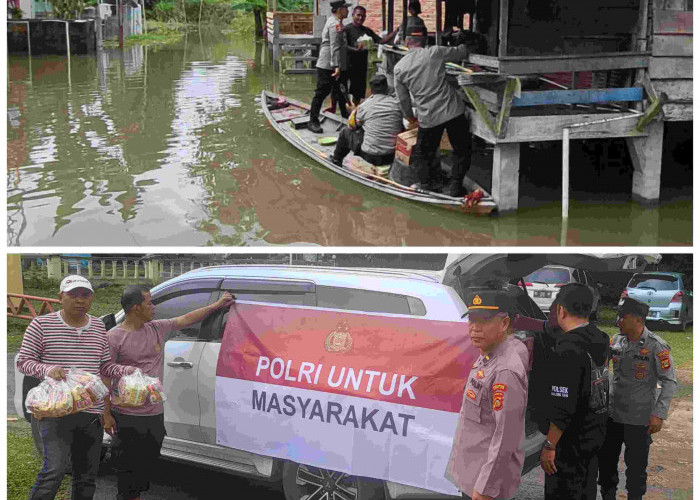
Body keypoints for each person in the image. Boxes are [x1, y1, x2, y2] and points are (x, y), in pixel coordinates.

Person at [107, 285, 235, 500]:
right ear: (136, 308)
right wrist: (106, 413)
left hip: (154, 412)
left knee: (149, 457)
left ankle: (134, 494)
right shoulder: (114, 337)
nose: (153, 307)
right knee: (126, 463)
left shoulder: (156, 329)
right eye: (149, 302)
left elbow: (185, 319)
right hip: (126, 414)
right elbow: (104, 371)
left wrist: (217, 305)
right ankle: (127, 496)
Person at [17, 275, 137, 500]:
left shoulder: (99, 328)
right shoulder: (41, 325)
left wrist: (123, 371)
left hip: (90, 414)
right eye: (73, 295)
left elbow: (103, 366)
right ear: (60, 297)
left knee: (86, 476)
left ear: (91, 299)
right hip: (55, 411)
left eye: (85, 295)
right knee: (55, 470)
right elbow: (23, 361)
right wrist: (47, 369)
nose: (80, 300)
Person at [446, 290, 529, 500]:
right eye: (472, 320)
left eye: (484, 321)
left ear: (504, 324)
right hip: (472, 469)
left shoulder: (505, 371)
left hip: (484, 481)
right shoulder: (489, 352)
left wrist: (485, 489)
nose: (474, 328)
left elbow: (505, 438)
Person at [597, 298, 678, 500]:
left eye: (623, 317)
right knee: (606, 466)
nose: (618, 321)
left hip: (639, 418)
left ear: (637, 319)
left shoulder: (656, 346)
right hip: (613, 415)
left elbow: (669, 381)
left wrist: (659, 414)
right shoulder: (616, 341)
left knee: (636, 470)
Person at [535, 283, 610, 500]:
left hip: (570, 443)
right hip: (594, 432)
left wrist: (550, 446)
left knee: (563, 493)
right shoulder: (601, 339)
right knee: (586, 490)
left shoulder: (567, 349)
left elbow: (563, 407)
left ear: (560, 310)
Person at [393, 31, 472, 196]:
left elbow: (403, 100)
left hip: (428, 117)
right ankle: (455, 186)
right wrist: (464, 39)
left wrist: (409, 117)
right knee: (461, 149)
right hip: (453, 111)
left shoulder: (399, 68)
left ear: (406, 43)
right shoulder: (435, 52)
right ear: (422, 41)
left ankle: (427, 185)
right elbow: (461, 52)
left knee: (424, 153)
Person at [330, 73, 404, 167]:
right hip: (392, 156)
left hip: (370, 156)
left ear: (371, 90)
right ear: (387, 88)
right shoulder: (397, 104)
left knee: (345, 132)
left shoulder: (364, 106)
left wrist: (353, 112)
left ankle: (336, 160)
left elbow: (352, 126)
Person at [309, 0, 352, 134]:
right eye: (346, 8)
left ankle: (346, 120)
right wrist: (337, 67)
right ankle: (313, 121)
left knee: (341, 93)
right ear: (339, 9)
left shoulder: (338, 23)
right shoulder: (334, 24)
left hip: (336, 65)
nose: (348, 11)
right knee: (321, 92)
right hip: (329, 65)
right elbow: (334, 46)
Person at [344, 6, 398, 106]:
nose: (361, 18)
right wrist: (355, 49)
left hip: (361, 64)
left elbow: (380, 41)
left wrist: (395, 33)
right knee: (343, 87)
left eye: (363, 16)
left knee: (358, 91)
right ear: (353, 15)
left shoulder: (366, 31)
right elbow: (343, 46)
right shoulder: (347, 29)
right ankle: (344, 108)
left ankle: (355, 108)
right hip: (347, 63)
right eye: (358, 15)